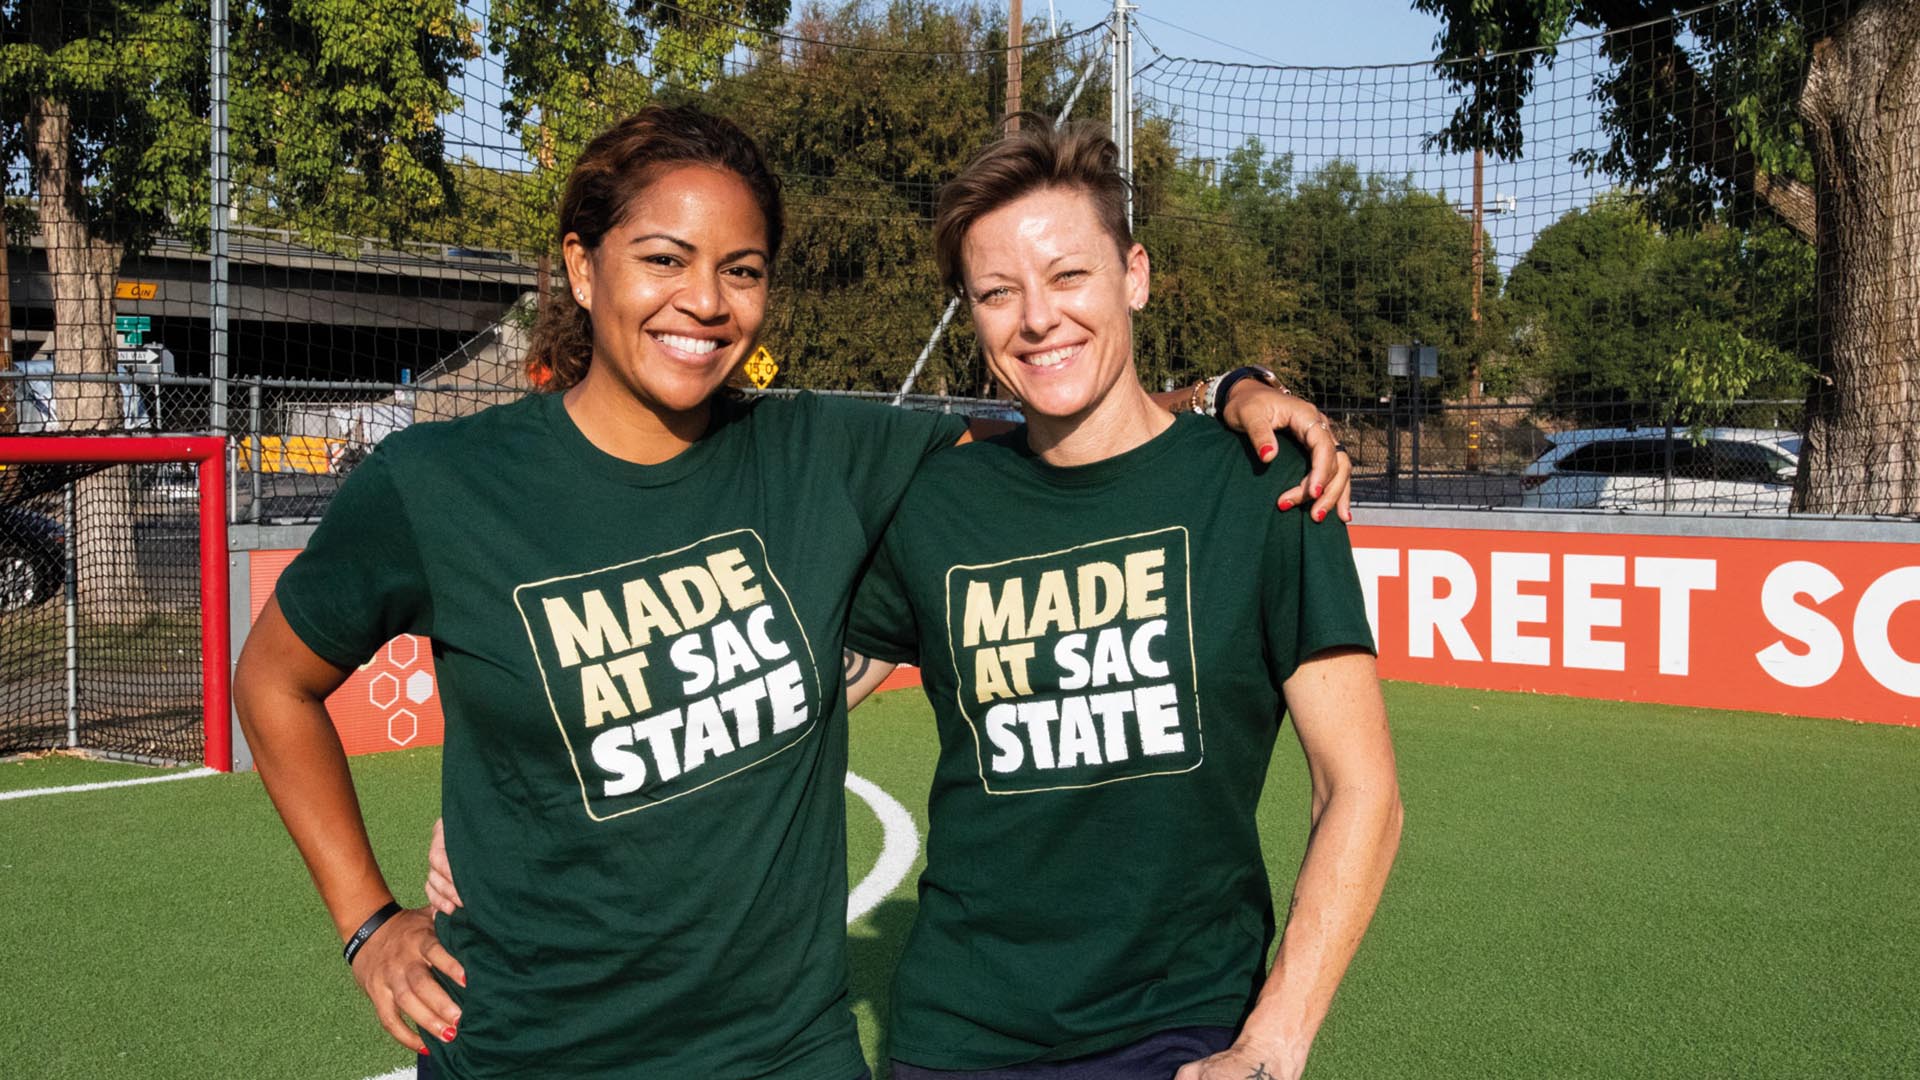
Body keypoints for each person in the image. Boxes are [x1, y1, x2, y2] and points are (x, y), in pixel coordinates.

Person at [234, 105, 1352, 1080]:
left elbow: (1065, 405)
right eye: (664, 259)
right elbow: (274, 681)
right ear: (583, 267)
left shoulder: (824, 453)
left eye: (743, 269)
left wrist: (1228, 392)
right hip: (530, 1046)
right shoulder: (438, 484)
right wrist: (366, 919)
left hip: (785, 1050)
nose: (704, 302)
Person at [835, 118, 1403, 1080]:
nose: (1038, 319)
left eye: (1069, 276)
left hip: (1181, 1030)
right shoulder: (935, 500)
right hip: (954, 1035)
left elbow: (1362, 790)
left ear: (1134, 275)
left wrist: (1272, 1044)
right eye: (997, 293)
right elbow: (777, 704)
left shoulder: (1266, 485)